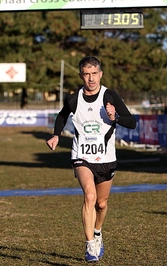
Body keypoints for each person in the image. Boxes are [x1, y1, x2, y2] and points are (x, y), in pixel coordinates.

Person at [46, 56, 137, 262]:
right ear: (81, 76)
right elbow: (62, 116)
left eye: (94, 74)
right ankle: (90, 246)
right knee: (89, 196)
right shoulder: (73, 99)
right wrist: (56, 134)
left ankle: (97, 232)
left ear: (100, 74)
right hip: (82, 157)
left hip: (106, 158)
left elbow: (132, 122)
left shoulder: (110, 96)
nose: (91, 78)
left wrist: (116, 118)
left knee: (102, 204)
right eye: (86, 74)